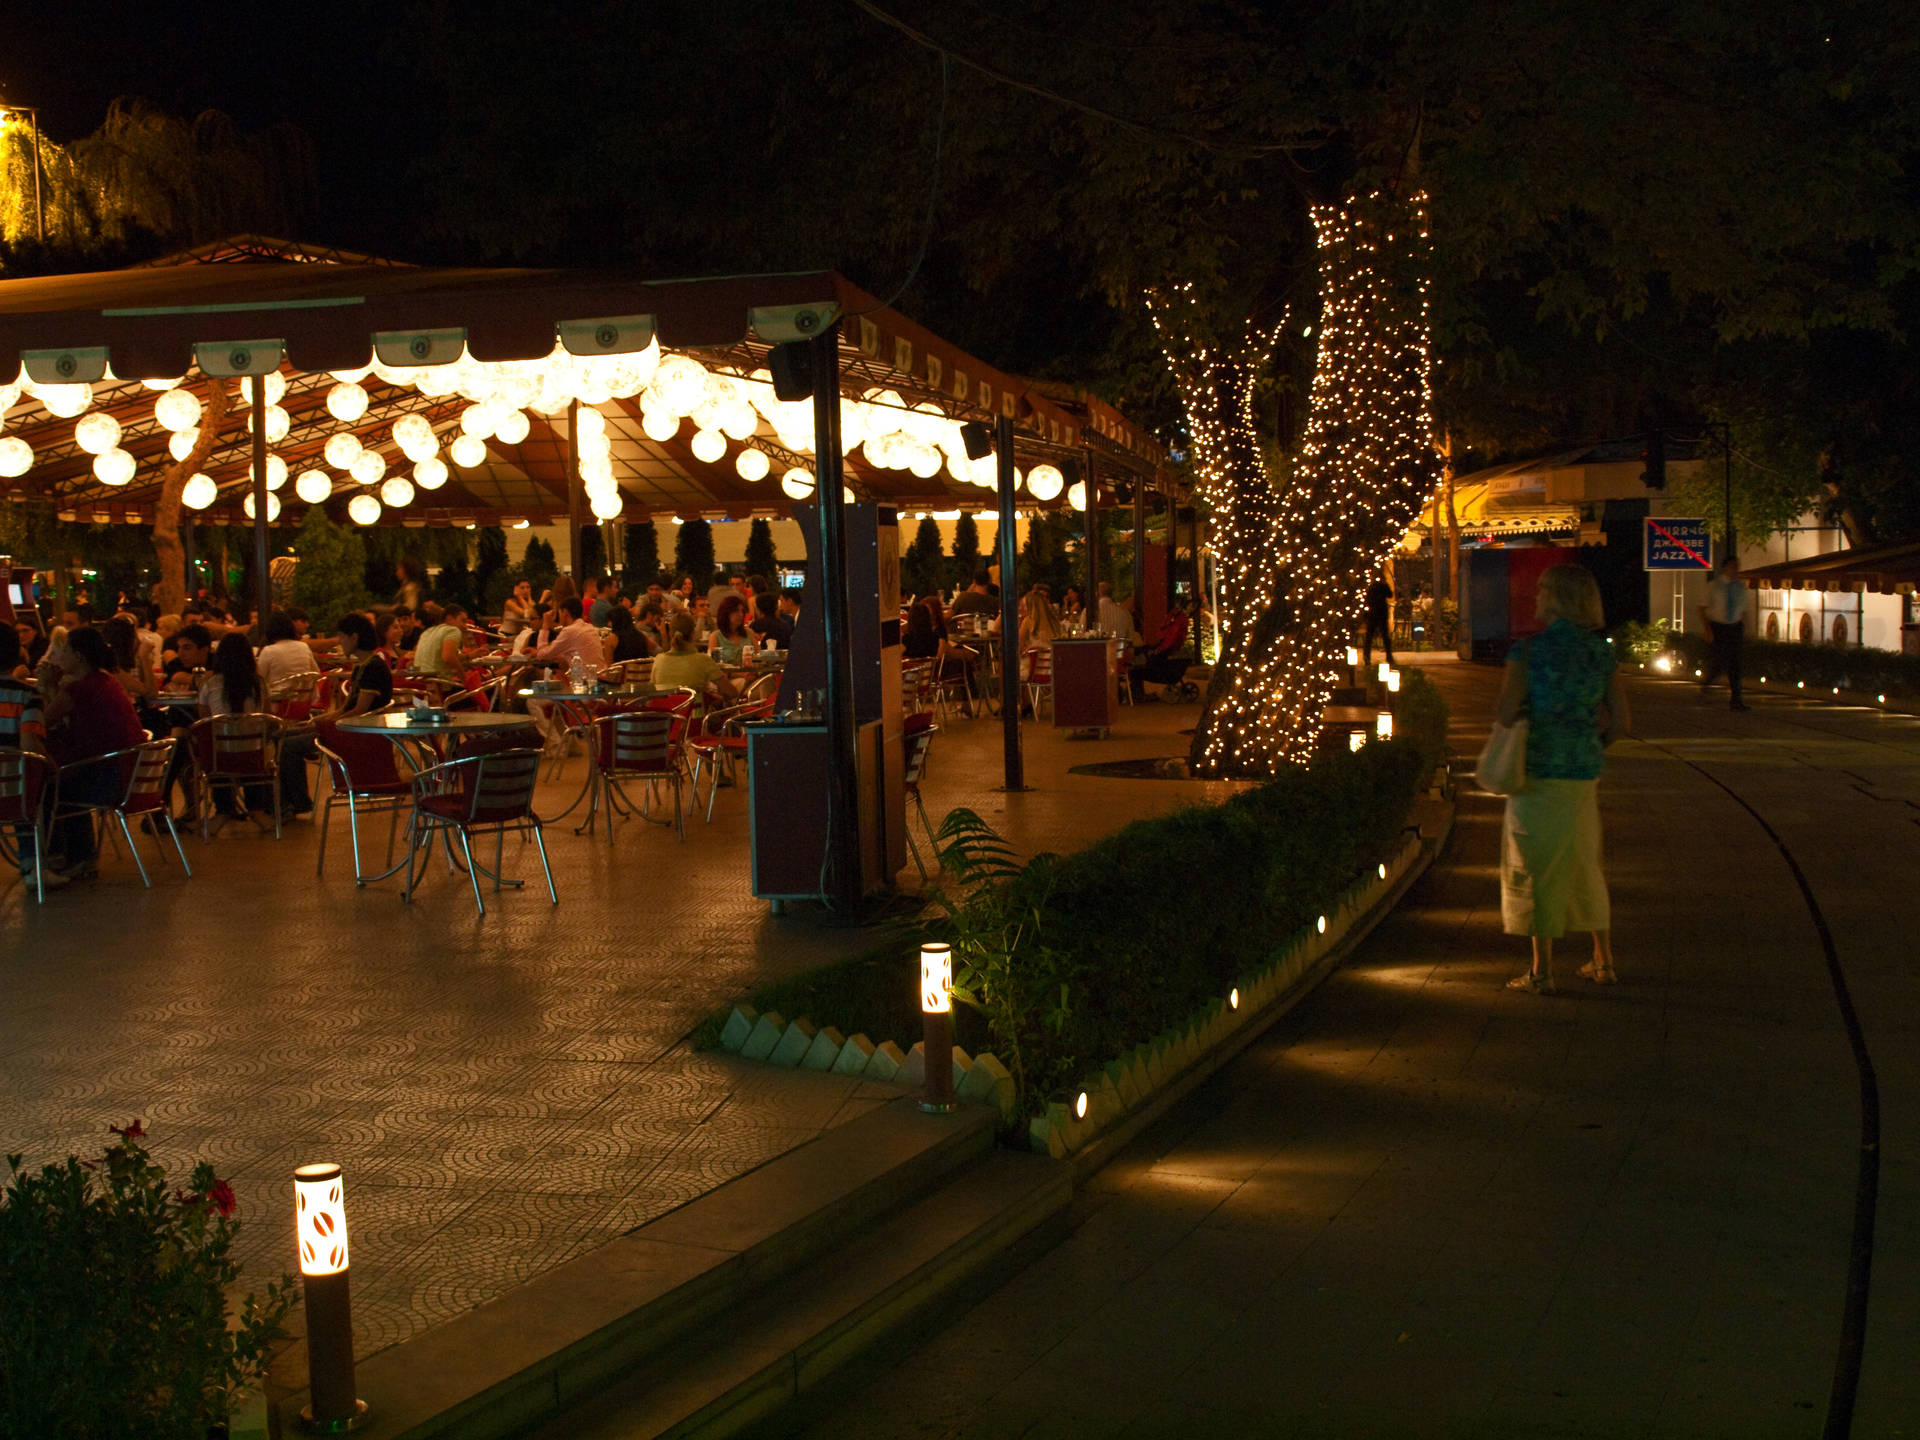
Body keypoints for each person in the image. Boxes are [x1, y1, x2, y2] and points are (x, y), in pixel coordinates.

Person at [1492, 564, 1629, 993]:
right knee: (1585, 862)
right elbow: (1621, 721)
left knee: (1536, 867)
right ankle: (1603, 961)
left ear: (1554, 598)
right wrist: (1589, 744)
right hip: (1583, 774)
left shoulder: (1528, 653)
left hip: (1536, 774)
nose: (1535, 599)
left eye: (1541, 592)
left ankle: (1542, 971)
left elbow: (1505, 713)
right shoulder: (1601, 654)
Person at [39, 626, 148, 881]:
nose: (56, 658)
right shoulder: (106, 680)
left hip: (111, 779)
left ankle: (65, 857)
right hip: (132, 777)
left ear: (78, 656)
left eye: (62, 652)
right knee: (63, 780)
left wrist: (45, 686)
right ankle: (79, 856)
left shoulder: (81, 688)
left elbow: (42, 722)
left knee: (49, 788)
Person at [279, 614, 394, 816]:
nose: (339, 641)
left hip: (359, 732)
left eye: (341, 636)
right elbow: (347, 708)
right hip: (349, 726)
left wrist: (329, 723)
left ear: (354, 637)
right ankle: (288, 802)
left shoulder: (372, 667)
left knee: (288, 745)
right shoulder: (363, 665)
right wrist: (321, 720)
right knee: (284, 736)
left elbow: (360, 710)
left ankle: (296, 803)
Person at [904, 598, 976, 717]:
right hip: (929, 675)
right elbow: (941, 654)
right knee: (962, 663)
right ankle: (968, 700)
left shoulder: (906, 641)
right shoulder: (935, 638)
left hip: (910, 680)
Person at [1699, 556, 1750, 711]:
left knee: (1735, 664)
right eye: (1733, 567)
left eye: (1737, 567)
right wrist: (1707, 629)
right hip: (1718, 627)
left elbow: (1744, 609)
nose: (1735, 570)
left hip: (1734, 627)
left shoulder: (1740, 587)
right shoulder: (1713, 586)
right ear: (1724, 568)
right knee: (1719, 662)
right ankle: (1706, 684)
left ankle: (1736, 700)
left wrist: (1743, 627)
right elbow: (1702, 608)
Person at [651, 612, 737, 703]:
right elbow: (731, 692)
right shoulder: (703, 660)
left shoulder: (658, 660)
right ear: (693, 634)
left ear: (670, 633)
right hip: (695, 715)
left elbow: (651, 693)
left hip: (666, 714)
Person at [256, 610, 322, 693]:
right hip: (304, 702)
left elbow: (259, 679)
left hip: (278, 702)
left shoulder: (269, 651)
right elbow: (316, 673)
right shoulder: (303, 647)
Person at [411, 602, 469, 682]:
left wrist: (471, 655)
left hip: (421, 684)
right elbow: (448, 657)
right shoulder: (453, 630)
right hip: (440, 686)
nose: (465, 626)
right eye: (463, 621)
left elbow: (439, 658)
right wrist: (465, 679)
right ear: (449, 618)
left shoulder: (427, 632)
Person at [708, 594, 752, 665]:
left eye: (742, 611)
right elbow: (713, 666)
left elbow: (758, 658)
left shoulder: (748, 633)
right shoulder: (715, 637)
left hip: (751, 674)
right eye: (736, 611)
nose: (741, 614)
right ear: (726, 613)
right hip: (729, 675)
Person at [1363, 572, 1394, 667]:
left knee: (1369, 636)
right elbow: (1390, 595)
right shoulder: (1382, 586)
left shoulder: (1370, 587)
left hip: (1373, 613)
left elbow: (1367, 600)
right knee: (1385, 636)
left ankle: (1367, 656)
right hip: (1381, 613)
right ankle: (1388, 656)